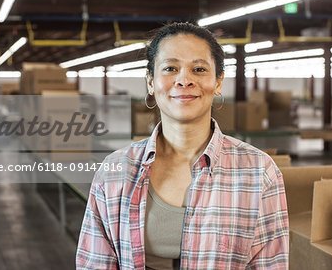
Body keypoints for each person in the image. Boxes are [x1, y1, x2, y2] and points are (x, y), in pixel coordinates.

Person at [76, 22, 289, 269]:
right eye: (170, 68)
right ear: (150, 82)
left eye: (198, 69)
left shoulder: (260, 172)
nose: (184, 80)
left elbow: (269, 264)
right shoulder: (115, 170)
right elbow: (95, 263)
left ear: (218, 82)